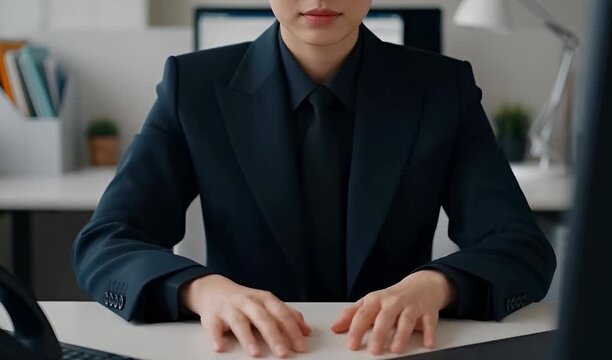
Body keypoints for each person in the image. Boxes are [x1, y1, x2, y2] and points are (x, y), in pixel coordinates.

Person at [71, 0, 556, 357]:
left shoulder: (441, 89)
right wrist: (203, 290)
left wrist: (435, 285)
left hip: (390, 350)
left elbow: (519, 246)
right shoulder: (193, 86)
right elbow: (108, 242)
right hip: (249, 352)